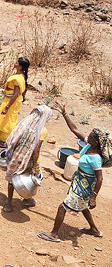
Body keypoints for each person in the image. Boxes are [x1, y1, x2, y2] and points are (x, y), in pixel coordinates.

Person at [39, 103, 109, 242]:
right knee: (83, 206)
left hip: (84, 187)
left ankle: (54, 234)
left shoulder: (95, 158)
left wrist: (94, 197)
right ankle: (94, 230)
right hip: (80, 182)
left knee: (63, 207)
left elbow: (99, 179)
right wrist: (64, 113)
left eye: (91, 136)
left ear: (96, 142)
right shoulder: (89, 145)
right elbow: (74, 129)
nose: (87, 136)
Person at [1, 105, 50, 213]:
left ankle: (9, 203)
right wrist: (35, 164)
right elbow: (36, 150)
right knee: (29, 176)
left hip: (16, 155)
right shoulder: (42, 130)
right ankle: (27, 199)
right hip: (28, 159)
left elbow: (14, 137)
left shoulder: (25, 123)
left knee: (12, 178)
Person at [0, 57, 29, 147]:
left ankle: (5, 140)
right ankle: (2, 137)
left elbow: (16, 94)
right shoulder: (20, 76)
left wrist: (7, 107)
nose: (15, 63)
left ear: (20, 66)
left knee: (8, 120)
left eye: (17, 63)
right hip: (10, 100)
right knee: (5, 119)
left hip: (11, 102)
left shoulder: (18, 78)